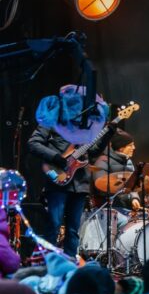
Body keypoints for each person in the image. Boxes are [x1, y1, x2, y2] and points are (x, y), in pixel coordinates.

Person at [27, 85, 122, 257]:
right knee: (53, 226)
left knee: (73, 231)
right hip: (58, 179)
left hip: (81, 182)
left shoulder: (88, 125)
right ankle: (48, 266)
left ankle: (70, 266)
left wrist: (109, 133)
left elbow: (92, 153)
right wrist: (57, 158)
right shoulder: (54, 119)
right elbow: (33, 143)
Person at [93, 129, 141, 211]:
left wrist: (134, 198)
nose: (134, 148)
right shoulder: (103, 161)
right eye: (130, 145)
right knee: (124, 220)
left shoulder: (128, 162)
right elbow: (101, 187)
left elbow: (132, 186)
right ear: (121, 148)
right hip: (108, 208)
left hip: (126, 207)